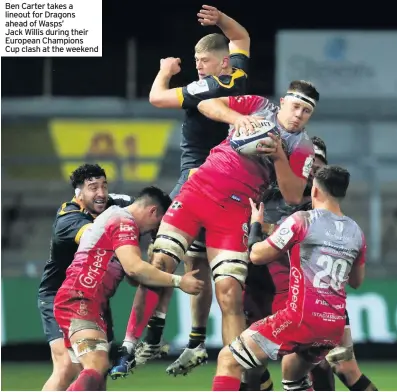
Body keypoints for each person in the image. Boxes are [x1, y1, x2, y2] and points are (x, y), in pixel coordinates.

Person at [136, 81, 317, 380]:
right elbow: (205, 104)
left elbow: (294, 196)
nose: (299, 115)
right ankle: (143, 341)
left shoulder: (303, 147)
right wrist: (239, 119)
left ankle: (236, 376)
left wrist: (278, 156)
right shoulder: (259, 106)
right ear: (283, 101)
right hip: (202, 189)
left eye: (307, 111)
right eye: (296, 106)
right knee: (161, 261)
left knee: (231, 295)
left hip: (240, 215)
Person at [110, 3, 251, 377]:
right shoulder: (238, 76)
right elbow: (242, 37)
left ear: (221, 64)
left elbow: (157, 98)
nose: (198, 65)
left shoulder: (207, 86)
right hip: (229, 187)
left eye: (203, 59)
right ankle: (195, 342)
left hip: (195, 180)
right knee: (200, 266)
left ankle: (149, 337)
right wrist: (222, 21)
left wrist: (163, 72)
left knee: (162, 259)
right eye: (194, 59)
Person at [212, 165, 366, 391]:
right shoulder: (356, 232)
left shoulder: (302, 220)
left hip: (300, 319)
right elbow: (356, 281)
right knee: (294, 377)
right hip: (333, 327)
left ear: (314, 191)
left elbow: (256, 255)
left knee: (228, 359)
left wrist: (256, 223)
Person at [53, 186, 204, 391]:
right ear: (153, 212)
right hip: (81, 299)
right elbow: (134, 269)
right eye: (156, 225)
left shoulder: (116, 219)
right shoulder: (123, 222)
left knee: (96, 380)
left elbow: (133, 275)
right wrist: (179, 281)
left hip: (86, 300)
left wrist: (153, 270)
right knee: (97, 366)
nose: (153, 232)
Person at [37, 163, 135, 390]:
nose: (101, 193)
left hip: (93, 295)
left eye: (104, 186)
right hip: (58, 296)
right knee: (66, 366)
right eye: (93, 187)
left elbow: (145, 205)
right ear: (79, 193)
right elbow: (95, 237)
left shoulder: (111, 204)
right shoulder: (68, 219)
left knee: (98, 366)